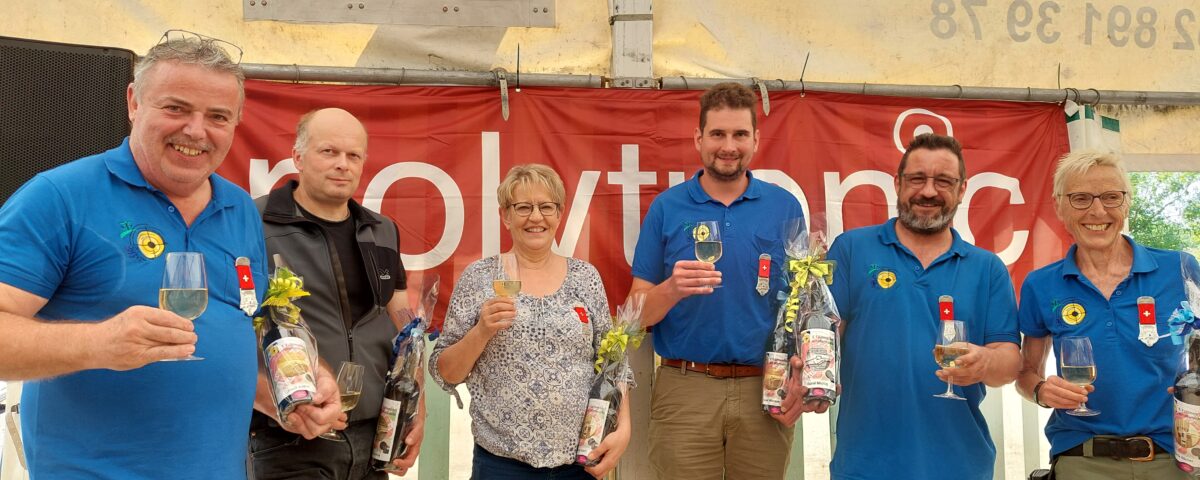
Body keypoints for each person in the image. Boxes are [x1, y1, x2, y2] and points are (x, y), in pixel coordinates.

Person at [0, 33, 339, 479]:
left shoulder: (239, 209)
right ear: (134, 103)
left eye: (217, 116)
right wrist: (98, 344)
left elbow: (228, 333)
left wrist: (284, 395)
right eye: (176, 108)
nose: (196, 131)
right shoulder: (59, 196)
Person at [629, 82, 807, 479]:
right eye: (718, 134)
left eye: (740, 134)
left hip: (767, 384)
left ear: (756, 140)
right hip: (685, 385)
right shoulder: (667, 207)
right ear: (698, 138)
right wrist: (671, 289)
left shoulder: (785, 206)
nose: (729, 145)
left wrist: (802, 375)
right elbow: (634, 316)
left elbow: (803, 307)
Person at [826, 133, 1021, 480]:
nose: (929, 192)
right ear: (898, 184)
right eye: (917, 179)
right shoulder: (851, 249)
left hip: (961, 465)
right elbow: (822, 336)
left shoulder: (987, 268)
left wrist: (985, 362)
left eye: (943, 181)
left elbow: (1009, 363)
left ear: (962, 190)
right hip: (864, 465)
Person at [250, 108, 423, 478]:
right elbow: (230, 327)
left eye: (353, 155)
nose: (342, 164)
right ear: (297, 157)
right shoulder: (252, 223)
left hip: (372, 437)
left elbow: (403, 323)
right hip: (289, 436)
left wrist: (415, 406)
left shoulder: (382, 230)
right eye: (329, 152)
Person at [430, 164, 630, 479]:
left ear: (559, 214)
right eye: (523, 207)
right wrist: (481, 332)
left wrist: (624, 427)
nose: (535, 217)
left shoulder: (585, 277)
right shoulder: (480, 278)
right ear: (505, 216)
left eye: (546, 207)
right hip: (501, 465)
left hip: (578, 462)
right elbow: (446, 373)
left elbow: (612, 361)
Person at [1015, 151, 1197, 479]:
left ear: (1127, 204)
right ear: (1059, 206)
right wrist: (1043, 391)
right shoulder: (1041, 284)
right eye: (1080, 198)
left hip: (1174, 456)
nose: (1097, 211)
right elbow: (1027, 372)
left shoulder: (1180, 269)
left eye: (1111, 197)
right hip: (1081, 458)